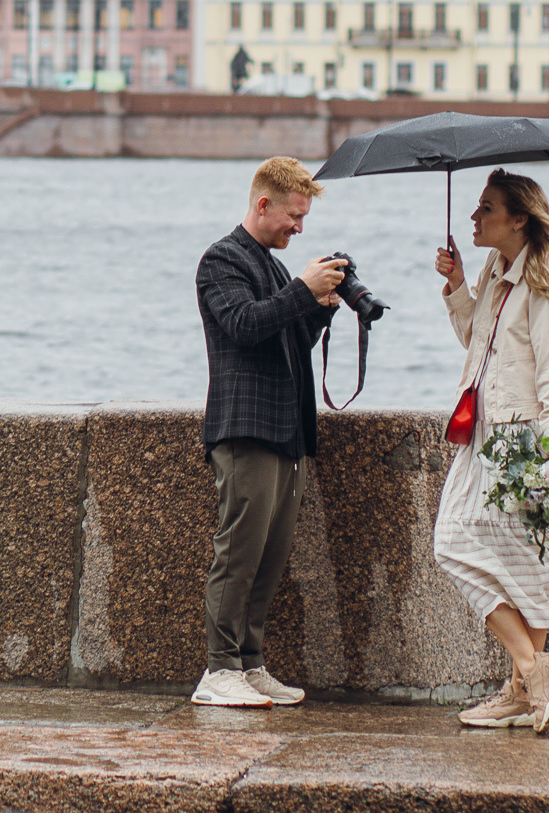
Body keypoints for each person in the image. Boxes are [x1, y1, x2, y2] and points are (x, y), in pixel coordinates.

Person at [432, 168, 549, 734]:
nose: (475, 217)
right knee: (518, 566)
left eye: (486, 209)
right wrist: (460, 286)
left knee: (453, 543)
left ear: (518, 218)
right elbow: (477, 344)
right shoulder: (496, 269)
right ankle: (527, 683)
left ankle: (529, 673)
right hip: (486, 433)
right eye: (477, 206)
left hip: (526, 441)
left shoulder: (545, 277)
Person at [189, 155, 345, 708]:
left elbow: (284, 339)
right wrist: (302, 290)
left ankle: (249, 664)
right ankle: (219, 669)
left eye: (303, 217)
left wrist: (319, 308)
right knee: (239, 551)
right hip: (245, 428)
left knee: (270, 554)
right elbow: (243, 326)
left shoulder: (276, 269)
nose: (299, 227)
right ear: (263, 205)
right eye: (294, 216)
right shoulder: (222, 260)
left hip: (286, 430)